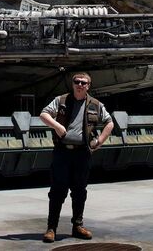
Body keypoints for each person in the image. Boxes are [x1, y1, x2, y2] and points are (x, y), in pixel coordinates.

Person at [39, 71, 114, 243]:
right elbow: (44, 114)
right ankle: (51, 228)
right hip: (62, 152)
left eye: (83, 82)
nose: (80, 85)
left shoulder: (96, 104)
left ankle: (78, 226)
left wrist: (100, 141)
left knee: (80, 191)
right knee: (57, 191)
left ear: (88, 86)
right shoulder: (61, 100)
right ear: (72, 84)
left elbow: (109, 122)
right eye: (77, 82)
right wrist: (57, 126)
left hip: (82, 153)